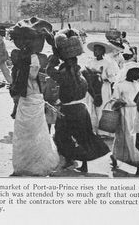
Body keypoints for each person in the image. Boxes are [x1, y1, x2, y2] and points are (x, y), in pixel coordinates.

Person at [46, 29, 110, 173]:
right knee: (84, 137)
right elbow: (91, 90)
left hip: (68, 110)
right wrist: (96, 99)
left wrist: (52, 61)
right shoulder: (82, 72)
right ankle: (84, 165)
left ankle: (68, 160)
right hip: (82, 109)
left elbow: (50, 71)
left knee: (61, 136)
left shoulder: (65, 74)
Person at [9, 20, 60, 176]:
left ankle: (24, 164)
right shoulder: (37, 59)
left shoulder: (19, 58)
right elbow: (34, 75)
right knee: (37, 132)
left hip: (27, 99)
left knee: (24, 133)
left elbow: (20, 80)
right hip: (35, 97)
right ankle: (36, 162)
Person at [110, 65, 139, 175]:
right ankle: (137, 163)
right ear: (129, 72)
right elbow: (114, 100)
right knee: (127, 136)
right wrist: (120, 102)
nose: (138, 74)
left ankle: (118, 156)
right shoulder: (120, 85)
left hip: (136, 112)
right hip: (125, 113)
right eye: (136, 72)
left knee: (135, 137)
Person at [86, 41, 120, 134]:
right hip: (92, 88)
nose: (95, 52)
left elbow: (112, 77)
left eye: (98, 50)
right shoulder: (90, 62)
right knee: (91, 107)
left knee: (101, 107)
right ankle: (92, 129)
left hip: (103, 88)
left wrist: (103, 78)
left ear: (102, 51)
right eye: (94, 50)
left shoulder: (108, 63)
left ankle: (102, 132)